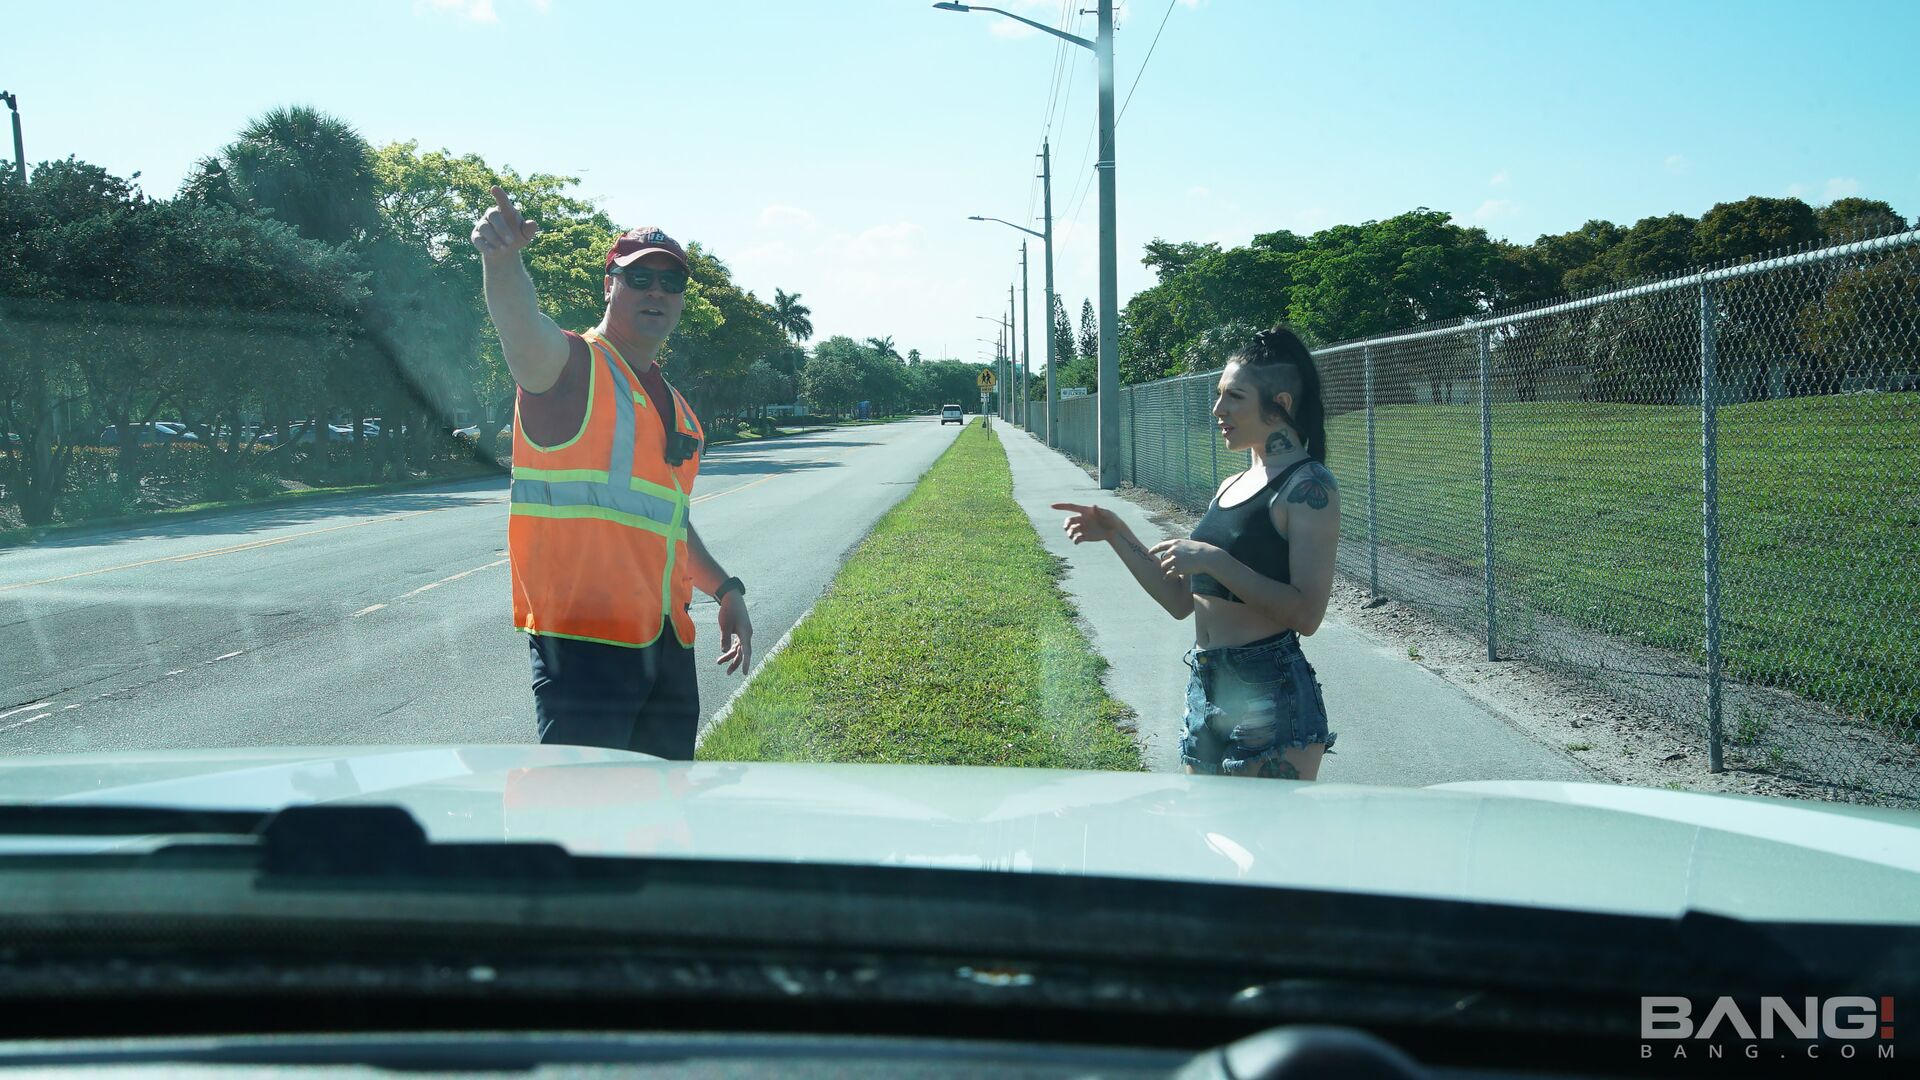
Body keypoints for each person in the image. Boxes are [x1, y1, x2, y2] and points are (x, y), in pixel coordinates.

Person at [472, 186, 753, 759]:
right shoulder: (572, 367)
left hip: (668, 648)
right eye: (638, 278)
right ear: (610, 285)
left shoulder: (678, 409)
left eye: (670, 282)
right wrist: (501, 263)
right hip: (584, 650)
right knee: (579, 823)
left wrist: (726, 590)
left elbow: (670, 520)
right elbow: (521, 329)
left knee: (664, 824)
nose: (656, 292)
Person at [1053, 326, 1339, 780]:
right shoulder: (1231, 485)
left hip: (1268, 685)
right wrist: (1116, 532)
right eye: (1219, 394)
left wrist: (1213, 559)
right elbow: (1179, 601)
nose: (1218, 410)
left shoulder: (1308, 487)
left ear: (1280, 405)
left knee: (1269, 847)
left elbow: (1306, 614)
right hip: (1206, 682)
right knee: (1205, 840)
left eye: (1234, 397)